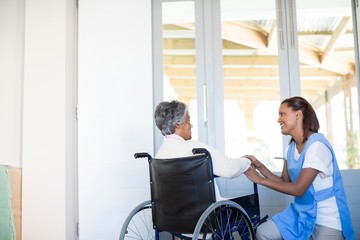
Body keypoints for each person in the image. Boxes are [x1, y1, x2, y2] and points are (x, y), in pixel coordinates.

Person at [244, 96, 354, 240]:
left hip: (326, 219)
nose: (278, 119)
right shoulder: (290, 147)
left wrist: (260, 180)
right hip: (301, 213)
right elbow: (284, 181)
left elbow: (298, 189)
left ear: (298, 114)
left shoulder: (317, 146)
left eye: (282, 113)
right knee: (263, 232)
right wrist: (261, 167)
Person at [154, 100, 251, 200]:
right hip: (207, 212)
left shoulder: (158, 156)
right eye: (188, 121)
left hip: (171, 213)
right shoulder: (194, 149)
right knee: (249, 203)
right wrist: (247, 161)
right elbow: (230, 169)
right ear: (178, 124)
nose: (191, 125)